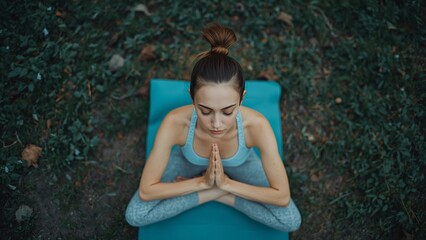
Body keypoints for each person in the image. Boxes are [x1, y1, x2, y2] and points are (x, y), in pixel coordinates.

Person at [125, 23, 301, 232]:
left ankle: (221, 196)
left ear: (241, 99)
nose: (216, 124)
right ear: (192, 96)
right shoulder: (175, 122)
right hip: (187, 162)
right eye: (205, 111)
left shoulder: (257, 126)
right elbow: (146, 191)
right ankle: (211, 192)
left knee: (290, 220)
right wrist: (202, 184)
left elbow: (281, 196)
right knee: (135, 214)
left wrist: (226, 186)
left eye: (228, 111)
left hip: (241, 166)